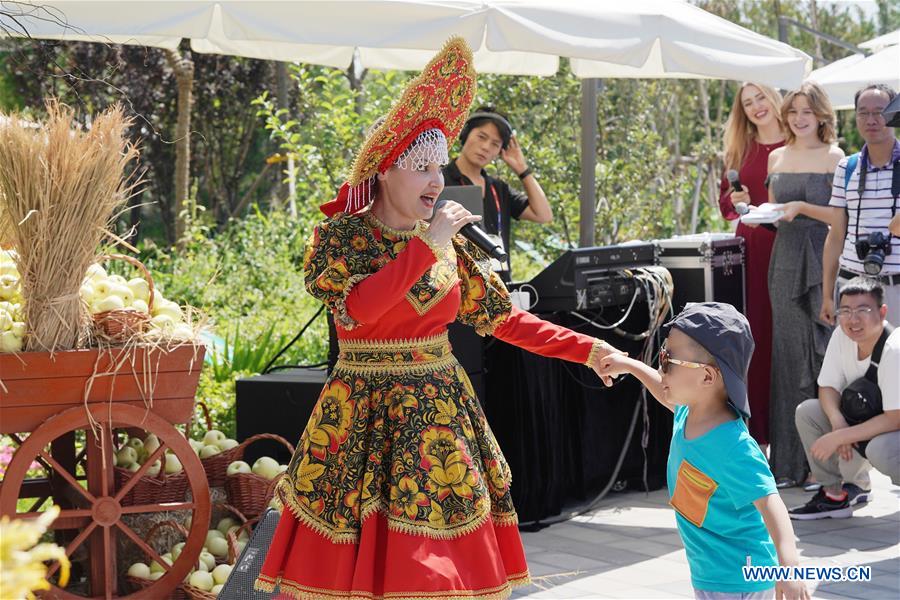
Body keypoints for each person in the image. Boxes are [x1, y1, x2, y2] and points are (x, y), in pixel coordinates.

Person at [254, 38, 621, 600]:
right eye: (421, 168)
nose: (435, 181)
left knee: (437, 569)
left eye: (436, 167)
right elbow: (358, 311)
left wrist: (590, 349)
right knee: (351, 566)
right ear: (383, 173)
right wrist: (427, 245)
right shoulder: (342, 238)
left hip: (440, 416)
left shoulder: (449, 243)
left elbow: (505, 320)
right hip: (361, 415)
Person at [597, 302, 809, 600]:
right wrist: (630, 366)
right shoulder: (690, 412)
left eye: (669, 360)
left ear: (707, 377)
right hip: (711, 573)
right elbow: (662, 387)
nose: (662, 367)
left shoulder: (732, 446)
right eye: (662, 355)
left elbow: (772, 506)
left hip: (741, 579)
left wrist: (789, 567)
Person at [764, 81, 844, 488]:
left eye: (806, 112)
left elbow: (839, 219)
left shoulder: (835, 156)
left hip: (822, 260)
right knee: (788, 360)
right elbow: (776, 214)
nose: (798, 118)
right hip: (783, 261)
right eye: (793, 111)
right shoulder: (775, 157)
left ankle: (825, 465)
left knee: (821, 360)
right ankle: (788, 465)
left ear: (821, 116)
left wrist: (801, 208)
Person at [791, 277, 899, 520]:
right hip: (870, 419)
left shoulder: (895, 349)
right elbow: (827, 386)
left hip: (892, 428)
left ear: (882, 312)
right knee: (809, 412)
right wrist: (837, 421)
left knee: (882, 450)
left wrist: (840, 436)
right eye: (846, 311)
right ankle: (834, 495)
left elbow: (895, 419)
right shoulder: (842, 335)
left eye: (863, 310)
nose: (853, 319)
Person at [718, 82, 786, 450]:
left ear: (777, 99)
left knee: (789, 341)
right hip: (750, 251)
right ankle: (758, 438)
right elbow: (726, 209)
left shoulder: (797, 142)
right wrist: (735, 199)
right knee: (756, 342)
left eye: (762, 97)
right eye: (748, 103)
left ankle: (792, 439)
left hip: (790, 248)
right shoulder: (738, 150)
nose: (757, 106)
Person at [819, 84, 900, 326]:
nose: (871, 119)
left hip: (896, 288)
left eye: (880, 111)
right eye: (863, 112)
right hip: (852, 287)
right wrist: (827, 295)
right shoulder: (847, 167)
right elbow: (836, 236)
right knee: (852, 364)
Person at [443, 106, 551, 278]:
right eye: (481, 137)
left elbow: (543, 214)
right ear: (465, 135)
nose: (486, 147)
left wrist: (522, 169)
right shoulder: (439, 181)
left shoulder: (499, 188)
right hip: (458, 284)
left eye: (495, 144)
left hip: (499, 287)